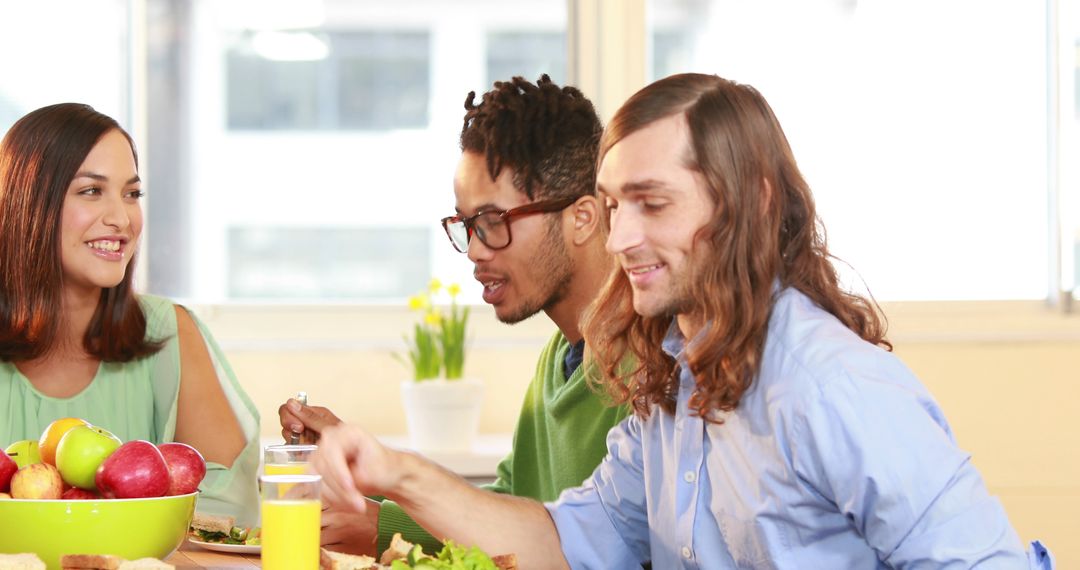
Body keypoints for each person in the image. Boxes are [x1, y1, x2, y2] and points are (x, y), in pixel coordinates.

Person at [311, 73, 1055, 569]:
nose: (622, 235)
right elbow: (565, 539)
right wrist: (392, 471)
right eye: (614, 203)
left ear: (751, 203)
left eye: (653, 203)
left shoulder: (835, 387)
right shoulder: (673, 387)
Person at [277, 75, 629, 556]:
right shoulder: (559, 359)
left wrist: (385, 521)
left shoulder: (650, 368)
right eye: (466, 226)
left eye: (492, 223)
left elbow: (569, 541)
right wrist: (371, 479)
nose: (474, 251)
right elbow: (511, 510)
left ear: (583, 218)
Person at [0, 103, 261, 523]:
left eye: (132, 194)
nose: (121, 218)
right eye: (90, 191)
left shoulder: (170, 334)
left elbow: (230, 512)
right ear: (28, 204)